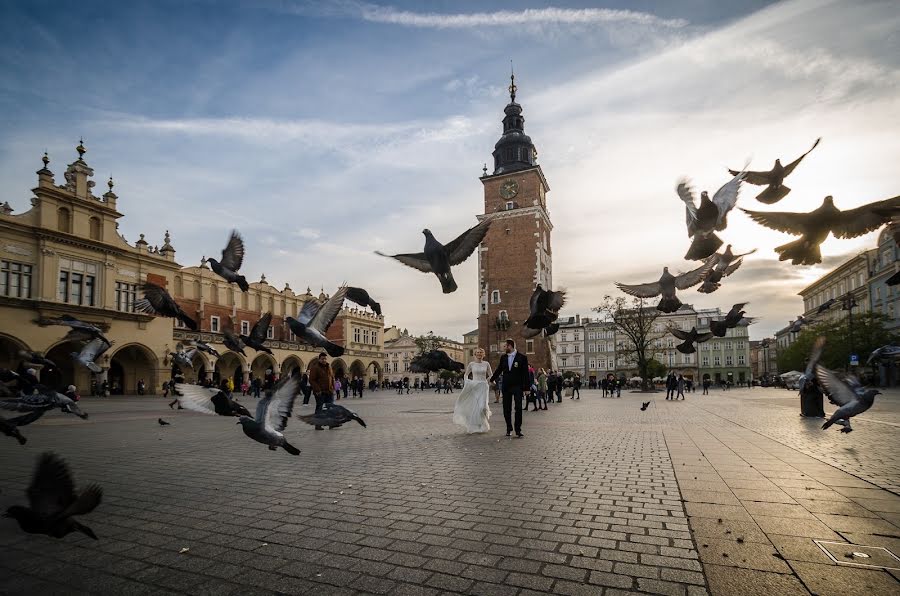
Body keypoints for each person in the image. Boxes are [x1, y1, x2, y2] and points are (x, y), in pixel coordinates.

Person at [489, 339, 529, 438]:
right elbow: (499, 369)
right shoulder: (503, 357)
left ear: (510, 346)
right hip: (506, 386)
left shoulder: (522, 358)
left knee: (518, 408)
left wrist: (526, 388)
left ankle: (518, 430)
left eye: (505, 346)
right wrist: (491, 379)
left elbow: (525, 373)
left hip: (517, 386)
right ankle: (509, 428)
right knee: (506, 408)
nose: (504, 348)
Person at [452, 348, 492, 433]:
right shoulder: (471, 364)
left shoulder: (486, 364)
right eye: (477, 352)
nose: (479, 354)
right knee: (476, 407)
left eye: (481, 352)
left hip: (483, 387)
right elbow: (466, 374)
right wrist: (467, 383)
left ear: (483, 354)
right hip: (474, 386)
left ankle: (483, 424)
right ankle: (477, 426)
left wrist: (486, 381)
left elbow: (491, 375)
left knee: (482, 407)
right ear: (475, 354)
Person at [309, 352, 336, 430]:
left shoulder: (329, 367)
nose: (324, 360)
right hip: (320, 392)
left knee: (331, 407)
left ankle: (331, 423)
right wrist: (317, 390)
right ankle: (318, 425)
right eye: (322, 359)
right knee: (319, 408)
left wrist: (333, 388)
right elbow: (312, 380)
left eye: (325, 358)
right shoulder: (315, 368)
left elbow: (332, 378)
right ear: (319, 359)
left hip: (329, 391)